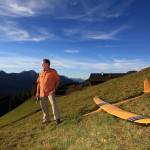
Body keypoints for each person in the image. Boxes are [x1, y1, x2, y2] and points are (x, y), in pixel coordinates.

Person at [36, 59, 61, 124]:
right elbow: (38, 83)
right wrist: (37, 92)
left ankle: (57, 118)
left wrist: (54, 89)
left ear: (47, 64)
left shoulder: (53, 71)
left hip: (50, 92)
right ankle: (46, 119)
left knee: (53, 104)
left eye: (43, 63)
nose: (42, 65)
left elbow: (58, 80)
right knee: (43, 106)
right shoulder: (41, 73)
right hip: (42, 92)